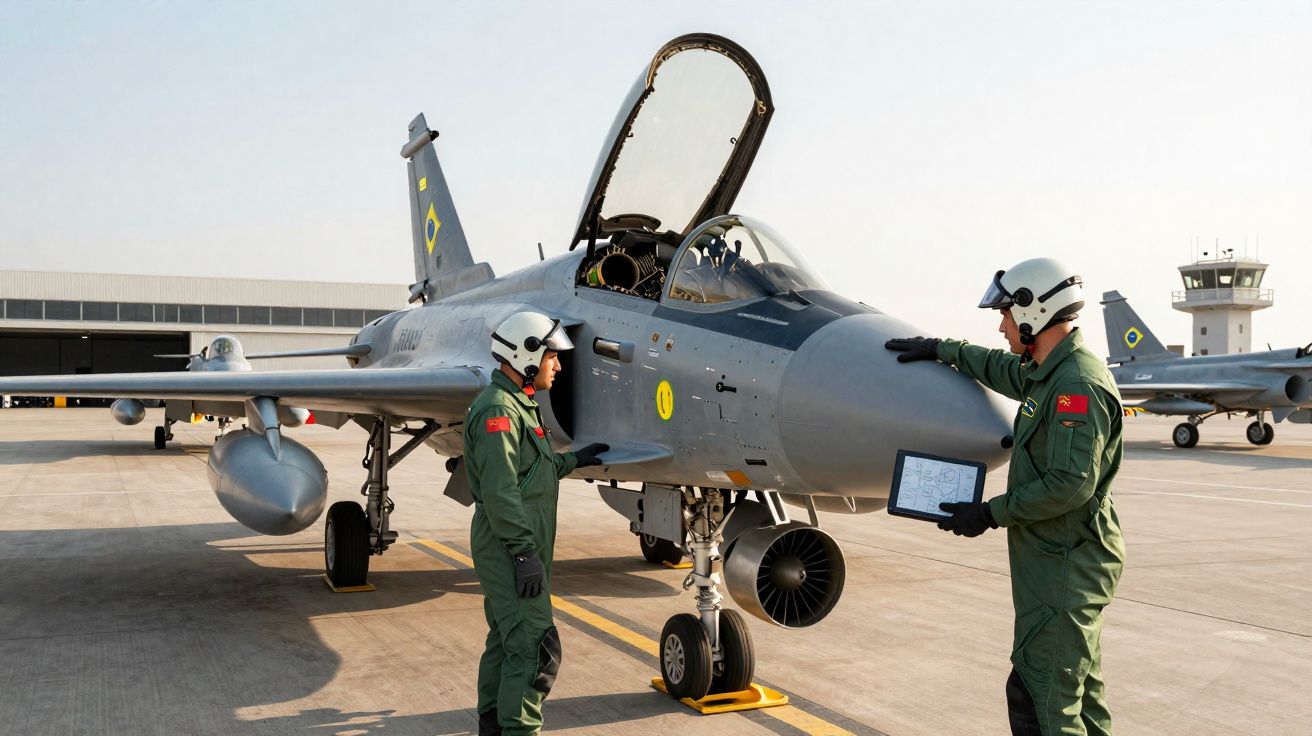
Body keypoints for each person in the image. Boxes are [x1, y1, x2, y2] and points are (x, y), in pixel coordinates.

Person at [886, 258, 1125, 736]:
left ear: (1032, 313)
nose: (1001, 326)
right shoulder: (1050, 372)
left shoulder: (1076, 385)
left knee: (1043, 700)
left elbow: (1070, 484)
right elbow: (1001, 369)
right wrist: (942, 348)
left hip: (1065, 567)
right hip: (1055, 562)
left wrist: (990, 513)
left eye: (1006, 315)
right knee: (1080, 696)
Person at [463, 311, 610, 735]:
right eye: (552, 357)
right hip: (512, 549)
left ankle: (492, 727)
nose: (559, 366)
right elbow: (500, 491)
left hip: (516, 547)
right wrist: (524, 552)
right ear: (525, 355)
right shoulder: (499, 412)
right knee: (535, 652)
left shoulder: (518, 404)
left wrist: (573, 461)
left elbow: (530, 470)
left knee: (506, 642)